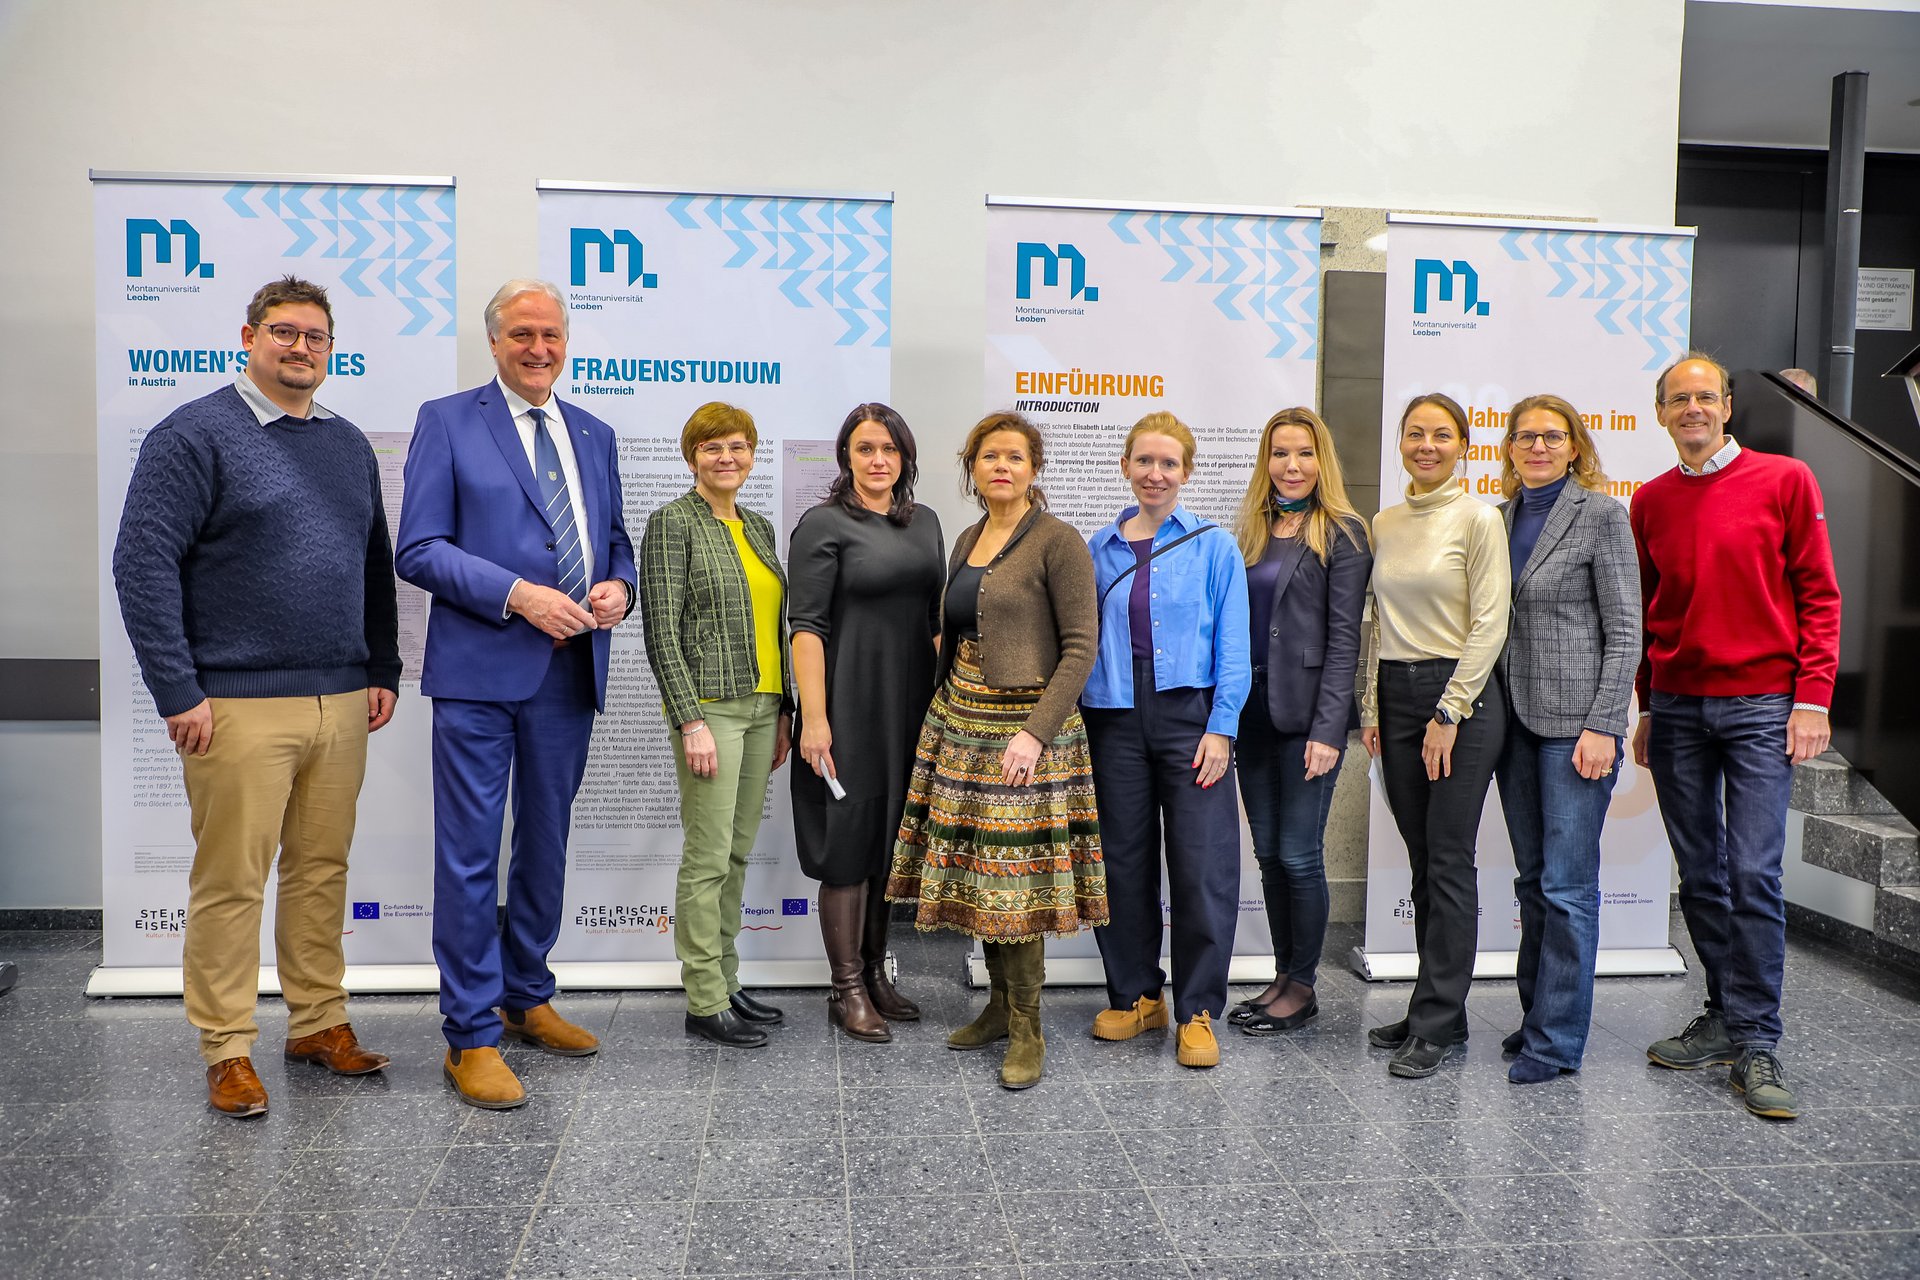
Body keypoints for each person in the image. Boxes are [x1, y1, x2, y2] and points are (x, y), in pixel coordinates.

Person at [113, 275, 399, 1117]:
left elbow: (372, 564)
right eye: (283, 332)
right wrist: (178, 690)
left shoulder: (347, 444)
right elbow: (142, 565)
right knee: (232, 882)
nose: (300, 347)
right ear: (249, 338)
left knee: (320, 871)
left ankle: (318, 1022)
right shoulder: (192, 435)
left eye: (315, 336)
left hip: (341, 700)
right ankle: (227, 1048)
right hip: (236, 705)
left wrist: (381, 667)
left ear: (330, 349)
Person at [395, 278, 635, 1109]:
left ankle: (527, 995)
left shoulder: (594, 433)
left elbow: (614, 541)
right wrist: (518, 594)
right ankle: (470, 1034)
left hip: (570, 673)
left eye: (551, 335)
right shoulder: (447, 421)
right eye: (522, 334)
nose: (539, 349)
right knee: (469, 855)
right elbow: (419, 548)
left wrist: (619, 589)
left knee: (545, 845)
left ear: (566, 343)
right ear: (494, 341)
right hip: (479, 676)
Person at [1630, 352, 1840, 1121]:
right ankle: (1725, 1014)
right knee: (1702, 876)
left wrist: (1812, 698)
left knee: (1753, 873)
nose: (1692, 408)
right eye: (1678, 398)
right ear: (1661, 413)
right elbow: (1649, 611)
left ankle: (1757, 1039)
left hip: (1761, 705)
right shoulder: (1650, 501)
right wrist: (1647, 708)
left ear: (1726, 406)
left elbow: (1819, 593)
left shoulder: (1786, 480)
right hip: (1679, 708)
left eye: (1704, 396)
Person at [887, 411, 1104, 1089]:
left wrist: (1034, 733)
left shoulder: (1059, 541)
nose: (1001, 466)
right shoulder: (969, 537)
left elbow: (1081, 648)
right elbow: (954, 628)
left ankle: (1028, 1027)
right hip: (963, 724)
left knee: (1016, 881)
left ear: (1034, 469)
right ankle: (998, 1008)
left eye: (1014, 456)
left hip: (1027, 732)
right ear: (972, 468)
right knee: (981, 872)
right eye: (989, 457)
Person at [1080, 412, 1248, 1069]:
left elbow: (1234, 645)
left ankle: (1197, 1010)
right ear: (1125, 466)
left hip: (1191, 717)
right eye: (1144, 461)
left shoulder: (1214, 546)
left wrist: (1222, 727)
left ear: (1186, 472)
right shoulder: (1097, 549)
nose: (1155, 474)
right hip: (1113, 716)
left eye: (1168, 463)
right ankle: (1137, 996)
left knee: (1202, 865)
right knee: (1121, 863)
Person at [1360, 392, 1510, 1078]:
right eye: (1415, 434)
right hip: (1396, 694)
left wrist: (1449, 713)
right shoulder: (1385, 522)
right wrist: (1371, 706)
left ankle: (1438, 1020)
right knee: (1423, 859)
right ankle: (1436, 1006)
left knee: (1448, 858)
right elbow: (1377, 623)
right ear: (1401, 443)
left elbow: (1490, 622)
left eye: (1441, 435)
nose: (1427, 445)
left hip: (1460, 697)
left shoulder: (1478, 518)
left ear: (1464, 447)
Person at [1491, 395, 1638, 1084]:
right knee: (1532, 882)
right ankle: (1537, 1019)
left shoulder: (1602, 515)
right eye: (1525, 437)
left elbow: (1626, 630)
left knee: (1568, 888)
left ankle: (1556, 1044)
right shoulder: (1498, 518)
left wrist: (1605, 723)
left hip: (1577, 729)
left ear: (1575, 446)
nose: (1538, 447)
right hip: (1513, 725)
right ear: (1510, 448)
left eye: (1552, 437)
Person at [640, 402, 794, 1050]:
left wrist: (784, 710)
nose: (726, 457)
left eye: (737, 446)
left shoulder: (758, 526)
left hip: (763, 708)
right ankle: (704, 997)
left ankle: (728, 982)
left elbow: (777, 626)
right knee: (707, 857)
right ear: (692, 457)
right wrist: (690, 721)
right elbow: (661, 632)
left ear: (752, 455)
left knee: (735, 851)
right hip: (712, 710)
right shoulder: (672, 523)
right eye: (712, 447)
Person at [789, 404, 945, 1043]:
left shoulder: (925, 522)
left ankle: (877, 974)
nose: (878, 460)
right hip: (846, 706)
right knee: (848, 845)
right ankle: (846, 988)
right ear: (846, 457)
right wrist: (815, 719)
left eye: (889, 448)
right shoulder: (823, 524)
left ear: (905, 457)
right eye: (865, 448)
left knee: (889, 840)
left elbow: (934, 620)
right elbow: (806, 627)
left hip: (910, 708)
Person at [1228, 408, 1371, 1037]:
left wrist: (1328, 730)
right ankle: (1282, 977)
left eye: (1304, 453)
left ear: (1322, 460)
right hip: (1253, 714)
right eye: (1281, 453)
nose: (1292, 465)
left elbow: (1345, 641)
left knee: (1299, 855)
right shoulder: (1252, 529)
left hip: (1309, 717)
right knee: (1268, 855)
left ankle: (1304, 987)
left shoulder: (1342, 531)